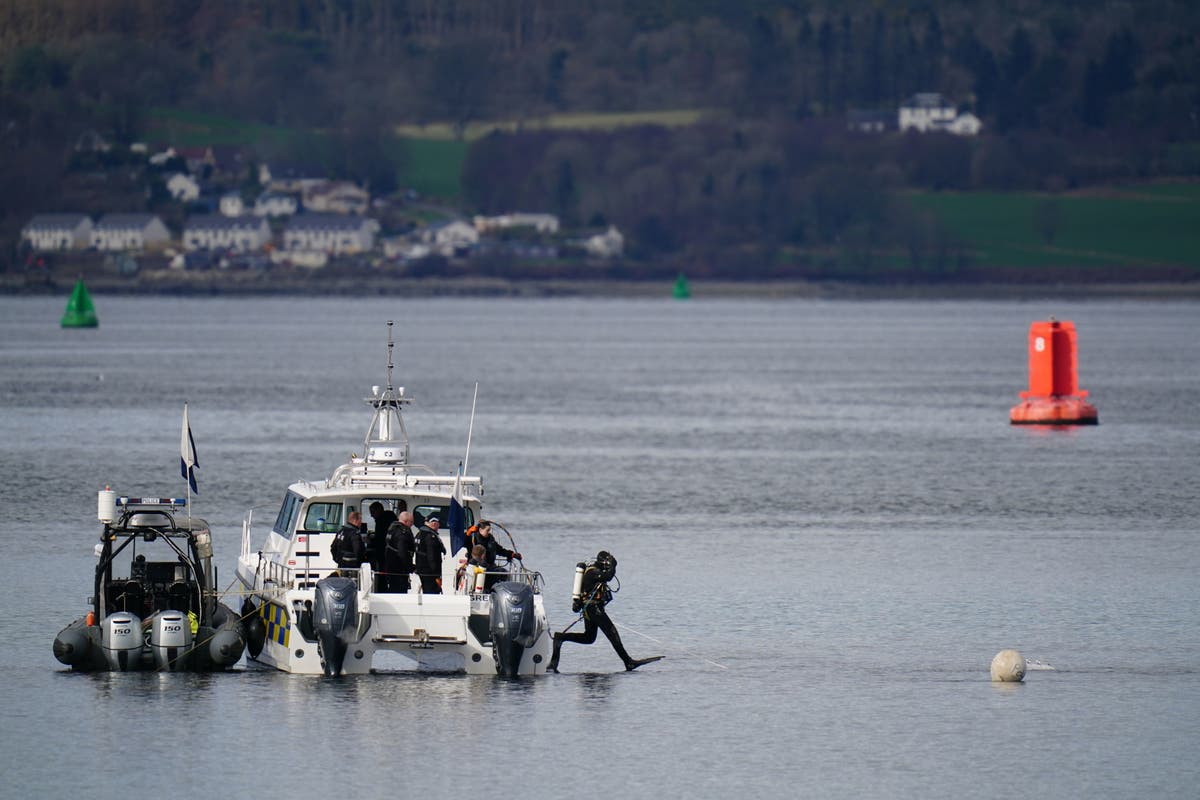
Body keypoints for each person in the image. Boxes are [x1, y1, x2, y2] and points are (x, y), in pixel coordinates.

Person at [547, 550, 661, 673]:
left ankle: (560, 638)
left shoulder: (596, 571)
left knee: (589, 638)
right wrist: (614, 566)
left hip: (591, 609)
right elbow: (608, 576)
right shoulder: (593, 572)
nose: (608, 566)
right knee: (612, 634)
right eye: (607, 564)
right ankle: (628, 662)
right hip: (593, 609)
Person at [467, 519, 521, 592]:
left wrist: (512, 554)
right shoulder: (473, 538)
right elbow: (464, 541)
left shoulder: (491, 540)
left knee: (504, 573)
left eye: (490, 530)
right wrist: (468, 534)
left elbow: (500, 550)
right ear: (480, 530)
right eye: (487, 530)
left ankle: (503, 592)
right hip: (477, 566)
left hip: (490, 566)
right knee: (492, 574)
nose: (489, 532)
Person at [367, 501, 400, 585]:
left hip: (384, 553)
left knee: (383, 574)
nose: (371, 515)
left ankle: (382, 588)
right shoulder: (390, 519)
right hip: (389, 553)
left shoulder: (382, 521)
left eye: (373, 512)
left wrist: (370, 541)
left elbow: (381, 538)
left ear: (379, 510)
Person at [383, 511, 415, 593]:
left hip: (390, 566)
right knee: (399, 591)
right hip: (399, 569)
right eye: (411, 522)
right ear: (406, 521)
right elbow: (402, 553)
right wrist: (410, 567)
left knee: (392, 588)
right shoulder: (402, 533)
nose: (412, 525)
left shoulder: (392, 529)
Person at [414, 516, 446, 594]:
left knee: (427, 591)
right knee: (432, 593)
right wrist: (436, 575)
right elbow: (431, 556)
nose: (438, 525)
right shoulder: (430, 536)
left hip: (422, 569)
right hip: (429, 572)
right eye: (437, 523)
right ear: (434, 523)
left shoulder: (419, 533)